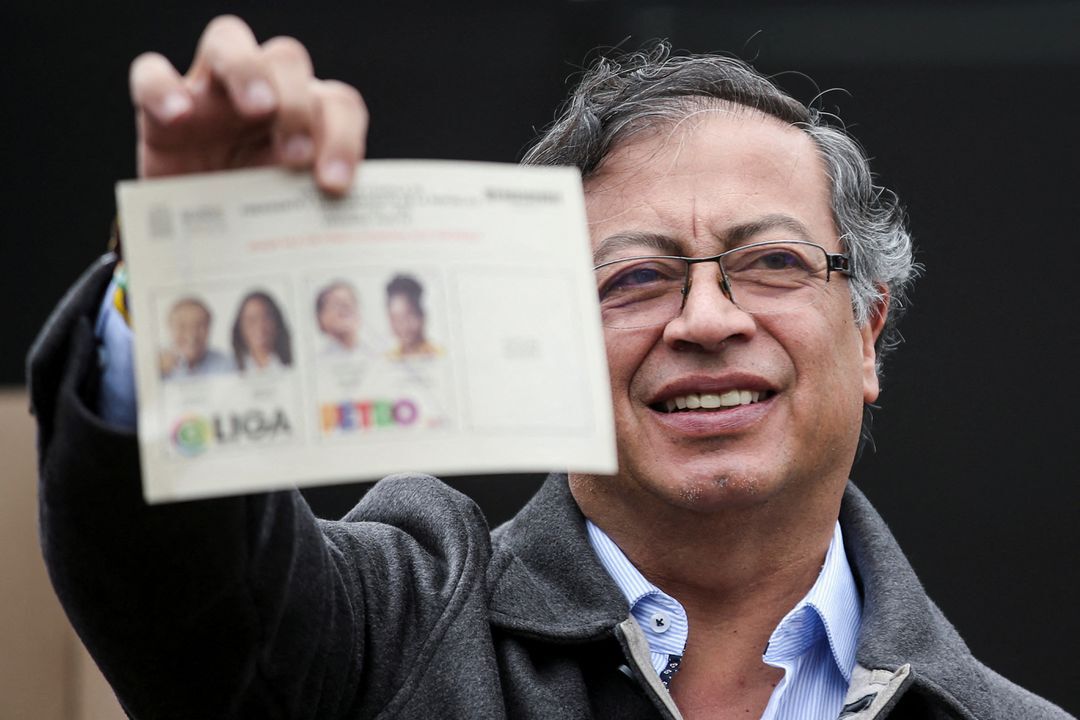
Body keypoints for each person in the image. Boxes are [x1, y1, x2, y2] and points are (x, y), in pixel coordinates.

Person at [27, 15, 1072, 720]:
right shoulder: (393, 631)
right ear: (542, 335)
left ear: (866, 329)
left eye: (772, 263)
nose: (706, 318)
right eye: (634, 280)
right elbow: (187, 596)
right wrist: (191, 278)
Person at [158, 296, 234, 379]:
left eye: (199, 326)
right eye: (182, 326)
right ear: (169, 328)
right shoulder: (155, 366)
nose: (191, 335)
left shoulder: (228, 365)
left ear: (208, 328)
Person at [231, 290, 293, 373]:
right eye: (251, 320)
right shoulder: (229, 369)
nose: (260, 327)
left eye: (266, 318)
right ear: (240, 327)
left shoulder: (293, 364)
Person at [385, 273, 441, 359]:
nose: (402, 326)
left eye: (408, 316)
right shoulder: (389, 359)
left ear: (422, 314)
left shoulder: (438, 355)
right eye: (396, 318)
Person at [315, 280, 362, 356]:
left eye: (350, 301)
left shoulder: (377, 355)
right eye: (337, 303)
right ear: (321, 318)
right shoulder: (320, 359)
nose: (346, 307)